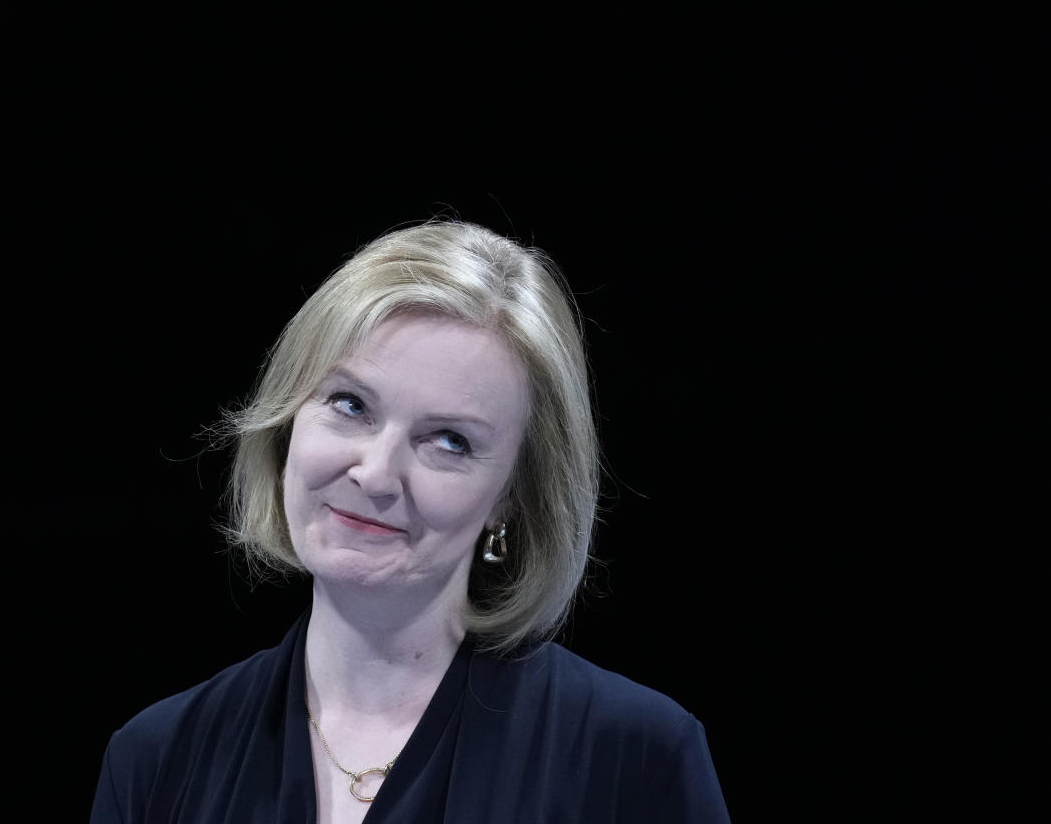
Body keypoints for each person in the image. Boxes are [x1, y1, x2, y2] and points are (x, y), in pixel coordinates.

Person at [89, 221, 731, 823]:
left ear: (512, 496)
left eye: (448, 441)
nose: (374, 473)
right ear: (288, 420)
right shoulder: (156, 759)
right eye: (350, 404)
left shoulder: (637, 759)